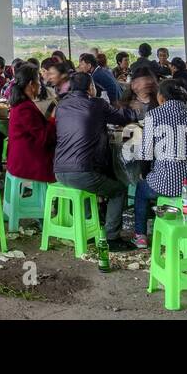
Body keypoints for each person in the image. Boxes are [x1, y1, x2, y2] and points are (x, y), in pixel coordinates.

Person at [52, 69, 137, 249]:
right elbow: (122, 118)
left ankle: (89, 227)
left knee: (91, 187)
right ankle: (112, 237)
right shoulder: (97, 104)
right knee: (119, 190)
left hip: (59, 170)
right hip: (82, 171)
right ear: (90, 87)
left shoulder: (61, 105)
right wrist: (133, 111)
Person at [131, 79, 187, 248]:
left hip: (167, 185)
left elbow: (145, 155)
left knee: (141, 188)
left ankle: (140, 236)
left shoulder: (153, 116)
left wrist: (144, 174)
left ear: (161, 98)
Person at [6, 63, 56, 184]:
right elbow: (44, 137)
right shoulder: (25, 108)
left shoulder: (20, 104)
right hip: (27, 161)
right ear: (30, 84)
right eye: (38, 80)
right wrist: (54, 118)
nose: (40, 84)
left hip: (19, 158)